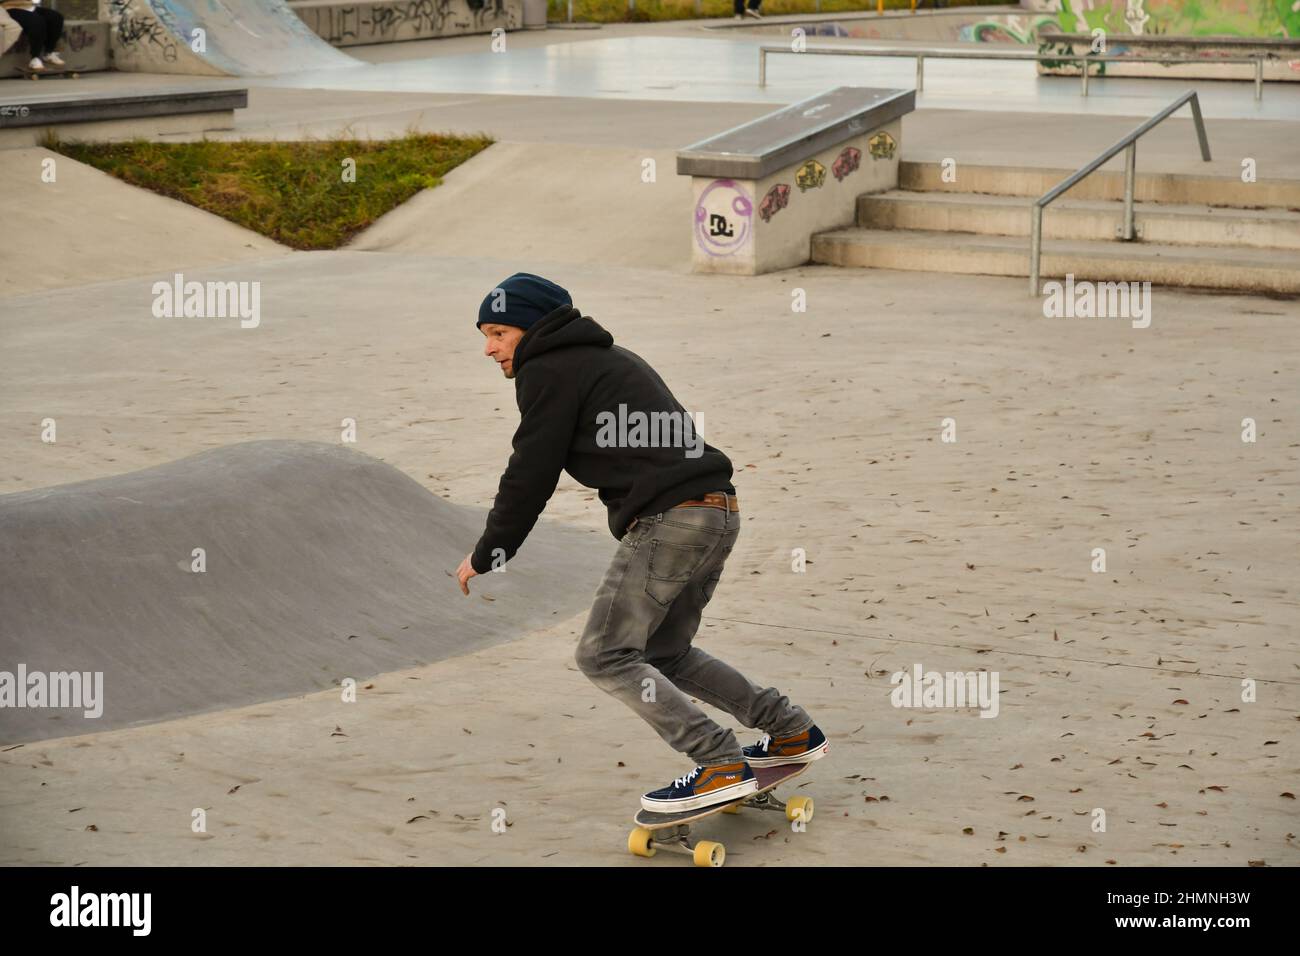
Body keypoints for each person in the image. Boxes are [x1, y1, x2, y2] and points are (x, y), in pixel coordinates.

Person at [456, 273, 827, 813]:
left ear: (532, 329)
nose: (489, 349)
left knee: (604, 654)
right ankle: (789, 730)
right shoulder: (605, 357)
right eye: (484, 336)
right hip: (717, 510)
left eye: (499, 333)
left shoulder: (549, 368)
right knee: (664, 652)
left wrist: (492, 549)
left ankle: (719, 764)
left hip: (671, 521)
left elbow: (530, 470)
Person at [2, 0, 65, 72]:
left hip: (30, 7)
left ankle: (49, 53)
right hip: (9, 8)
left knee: (56, 17)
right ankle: (35, 57)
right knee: (37, 21)